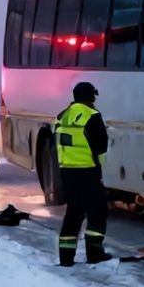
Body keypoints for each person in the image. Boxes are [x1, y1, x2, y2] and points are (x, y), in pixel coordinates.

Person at [55, 82, 111, 266]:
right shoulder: (92, 115)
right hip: (88, 171)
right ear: (90, 97)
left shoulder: (62, 116)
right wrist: (100, 166)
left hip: (67, 172)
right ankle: (94, 253)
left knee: (74, 213)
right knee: (97, 212)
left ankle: (66, 257)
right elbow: (101, 145)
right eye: (93, 96)